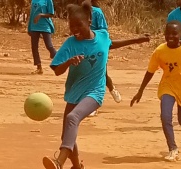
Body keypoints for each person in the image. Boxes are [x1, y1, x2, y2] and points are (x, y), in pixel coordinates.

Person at [42, 2, 150, 169]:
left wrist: (137, 40)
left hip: (95, 93)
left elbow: (111, 43)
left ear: (89, 22)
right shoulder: (70, 44)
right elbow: (56, 70)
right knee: (67, 134)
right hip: (74, 93)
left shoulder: (102, 36)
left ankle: (59, 163)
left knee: (72, 118)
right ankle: (77, 166)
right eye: (72, 26)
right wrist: (69, 62)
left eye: (79, 25)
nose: (75, 29)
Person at [130, 21, 181, 162]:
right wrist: (140, 91)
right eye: (168, 33)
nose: (171, 36)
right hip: (168, 87)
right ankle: (173, 149)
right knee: (165, 116)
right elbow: (150, 72)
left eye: (175, 34)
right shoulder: (160, 51)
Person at [28, 0, 57, 74]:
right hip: (34, 26)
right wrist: (29, 28)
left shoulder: (48, 1)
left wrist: (41, 15)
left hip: (45, 26)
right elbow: (32, 14)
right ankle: (39, 67)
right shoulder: (34, 1)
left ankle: (60, 61)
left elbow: (51, 14)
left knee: (49, 46)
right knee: (34, 47)